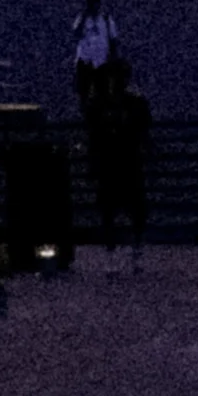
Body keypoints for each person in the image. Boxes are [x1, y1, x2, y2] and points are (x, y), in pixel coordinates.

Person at [85, 50, 154, 262]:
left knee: (135, 209)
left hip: (129, 160)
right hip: (110, 161)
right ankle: (112, 251)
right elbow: (93, 134)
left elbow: (144, 130)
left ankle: (134, 249)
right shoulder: (99, 104)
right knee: (110, 210)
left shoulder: (135, 103)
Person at [70, 0, 119, 109]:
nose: (91, 5)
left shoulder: (106, 19)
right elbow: (76, 34)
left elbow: (113, 39)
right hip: (85, 59)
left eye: (93, 2)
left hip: (101, 60)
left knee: (102, 90)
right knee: (84, 91)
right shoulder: (82, 18)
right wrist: (83, 18)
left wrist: (113, 57)